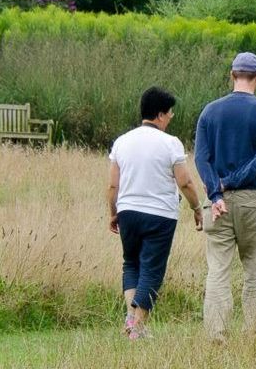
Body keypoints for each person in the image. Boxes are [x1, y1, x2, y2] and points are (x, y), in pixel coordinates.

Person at [194, 52, 256, 342]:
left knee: (218, 269)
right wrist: (230, 183)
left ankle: (216, 333)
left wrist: (217, 191)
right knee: (255, 267)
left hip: (216, 203)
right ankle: (255, 333)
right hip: (252, 200)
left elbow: (201, 158)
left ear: (232, 75)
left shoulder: (209, 111)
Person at [107, 86, 202, 340]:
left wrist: (113, 212)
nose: (171, 118)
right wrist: (196, 208)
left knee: (131, 263)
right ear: (160, 114)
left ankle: (130, 319)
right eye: (170, 113)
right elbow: (185, 182)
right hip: (160, 215)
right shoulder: (170, 143)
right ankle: (138, 328)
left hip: (127, 211)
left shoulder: (122, 142)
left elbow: (113, 184)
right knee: (152, 269)